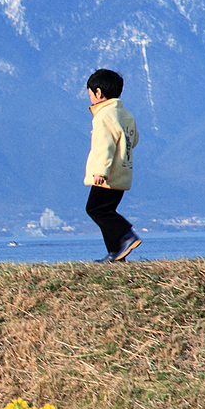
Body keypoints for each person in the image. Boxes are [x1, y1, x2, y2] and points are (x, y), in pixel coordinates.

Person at [84, 68, 140, 263]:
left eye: (90, 94)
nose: (90, 98)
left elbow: (104, 145)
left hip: (107, 174)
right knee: (107, 211)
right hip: (124, 172)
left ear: (98, 93)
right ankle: (116, 253)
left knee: (95, 209)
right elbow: (134, 140)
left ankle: (126, 235)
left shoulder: (103, 116)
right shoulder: (125, 114)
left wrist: (100, 171)